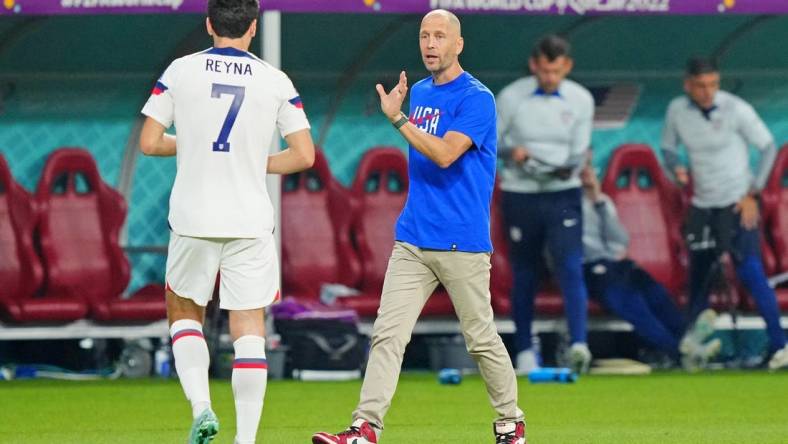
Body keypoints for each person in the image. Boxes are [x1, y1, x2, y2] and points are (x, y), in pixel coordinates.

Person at [312, 10, 526, 444]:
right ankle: (364, 427)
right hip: (413, 239)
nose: (430, 44)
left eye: (440, 36)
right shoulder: (422, 91)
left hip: (462, 241)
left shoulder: (477, 98)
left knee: (481, 339)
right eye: (425, 35)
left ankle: (510, 423)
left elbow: (446, 154)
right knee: (387, 335)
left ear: (458, 45)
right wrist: (404, 115)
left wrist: (399, 120)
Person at [138, 1, 316, 442]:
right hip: (249, 219)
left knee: (184, 311)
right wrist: (251, 161)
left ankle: (201, 406)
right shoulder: (275, 80)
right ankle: (246, 439)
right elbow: (304, 155)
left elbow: (148, 142)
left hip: (194, 216)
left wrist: (195, 147)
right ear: (253, 27)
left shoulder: (181, 70)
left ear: (208, 24)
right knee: (249, 325)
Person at [660, 57, 788, 371]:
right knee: (699, 277)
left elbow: (768, 147)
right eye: (701, 86)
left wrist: (752, 194)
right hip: (703, 206)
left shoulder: (736, 109)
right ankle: (693, 350)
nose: (708, 92)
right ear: (687, 85)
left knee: (750, 273)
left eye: (713, 85)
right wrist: (675, 166)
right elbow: (667, 147)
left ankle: (780, 346)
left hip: (735, 204)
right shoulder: (677, 110)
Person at [495, 34, 594, 374]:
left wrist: (569, 167)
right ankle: (524, 350)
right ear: (534, 65)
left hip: (563, 193)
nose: (550, 77)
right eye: (544, 70)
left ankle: (579, 345)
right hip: (520, 193)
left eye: (556, 71)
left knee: (570, 267)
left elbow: (580, 151)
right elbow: (487, 142)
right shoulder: (511, 97)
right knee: (524, 273)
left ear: (567, 66)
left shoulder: (581, 100)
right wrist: (512, 153)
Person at [579, 159, 721, 369]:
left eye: (589, 169)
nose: (587, 175)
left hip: (617, 264)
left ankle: (688, 339)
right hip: (590, 268)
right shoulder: (567, 205)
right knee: (634, 303)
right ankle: (678, 351)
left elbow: (621, 239)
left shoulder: (603, 202)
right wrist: (607, 254)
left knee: (655, 292)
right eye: (582, 170)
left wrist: (598, 202)